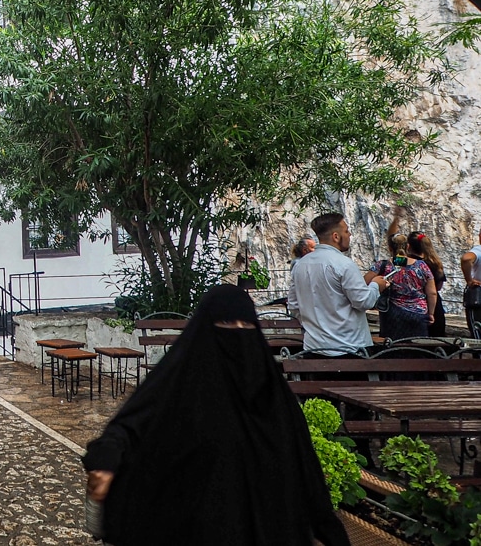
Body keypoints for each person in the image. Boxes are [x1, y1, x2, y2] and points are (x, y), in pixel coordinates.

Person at [82, 285, 350, 546]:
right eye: (225, 322)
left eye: (247, 325)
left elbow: (304, 470)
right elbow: (129, 427)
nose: (238, 333)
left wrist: (328, 531)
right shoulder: (178, 384)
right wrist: (106, 460)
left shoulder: (273, 397)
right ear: (204, 327)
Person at [287, 212, 389, 355]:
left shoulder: (300, 265)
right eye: (346, 231)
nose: (350, 234)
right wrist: (376, 286)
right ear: (336, 236)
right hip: (349, 347)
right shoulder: (344, 264)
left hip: (314, 347)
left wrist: (315, 325)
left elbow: (293, 305)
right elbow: (363, 302)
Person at [387, 207, 447, 337]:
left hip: (416, 309)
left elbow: (391, 243)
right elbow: (437, 288)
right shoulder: (435, 263)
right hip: (436, 308)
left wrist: (396, 219)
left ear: (408, 246)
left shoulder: (409, 262)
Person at [372, 233, 436, 340]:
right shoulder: (422, 265)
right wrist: (431, 313)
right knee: (417, 349)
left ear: (389, 248)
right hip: (418, 314)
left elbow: (364, 282)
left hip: (392, 315)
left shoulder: (383, 265)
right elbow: (432, 292)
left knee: (393, 348)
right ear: (408, 247)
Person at [461, 228, 481, 339]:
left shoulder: (479, 250)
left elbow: (466, 259)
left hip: (478, 297)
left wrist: (469, 280)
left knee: (477, 335)